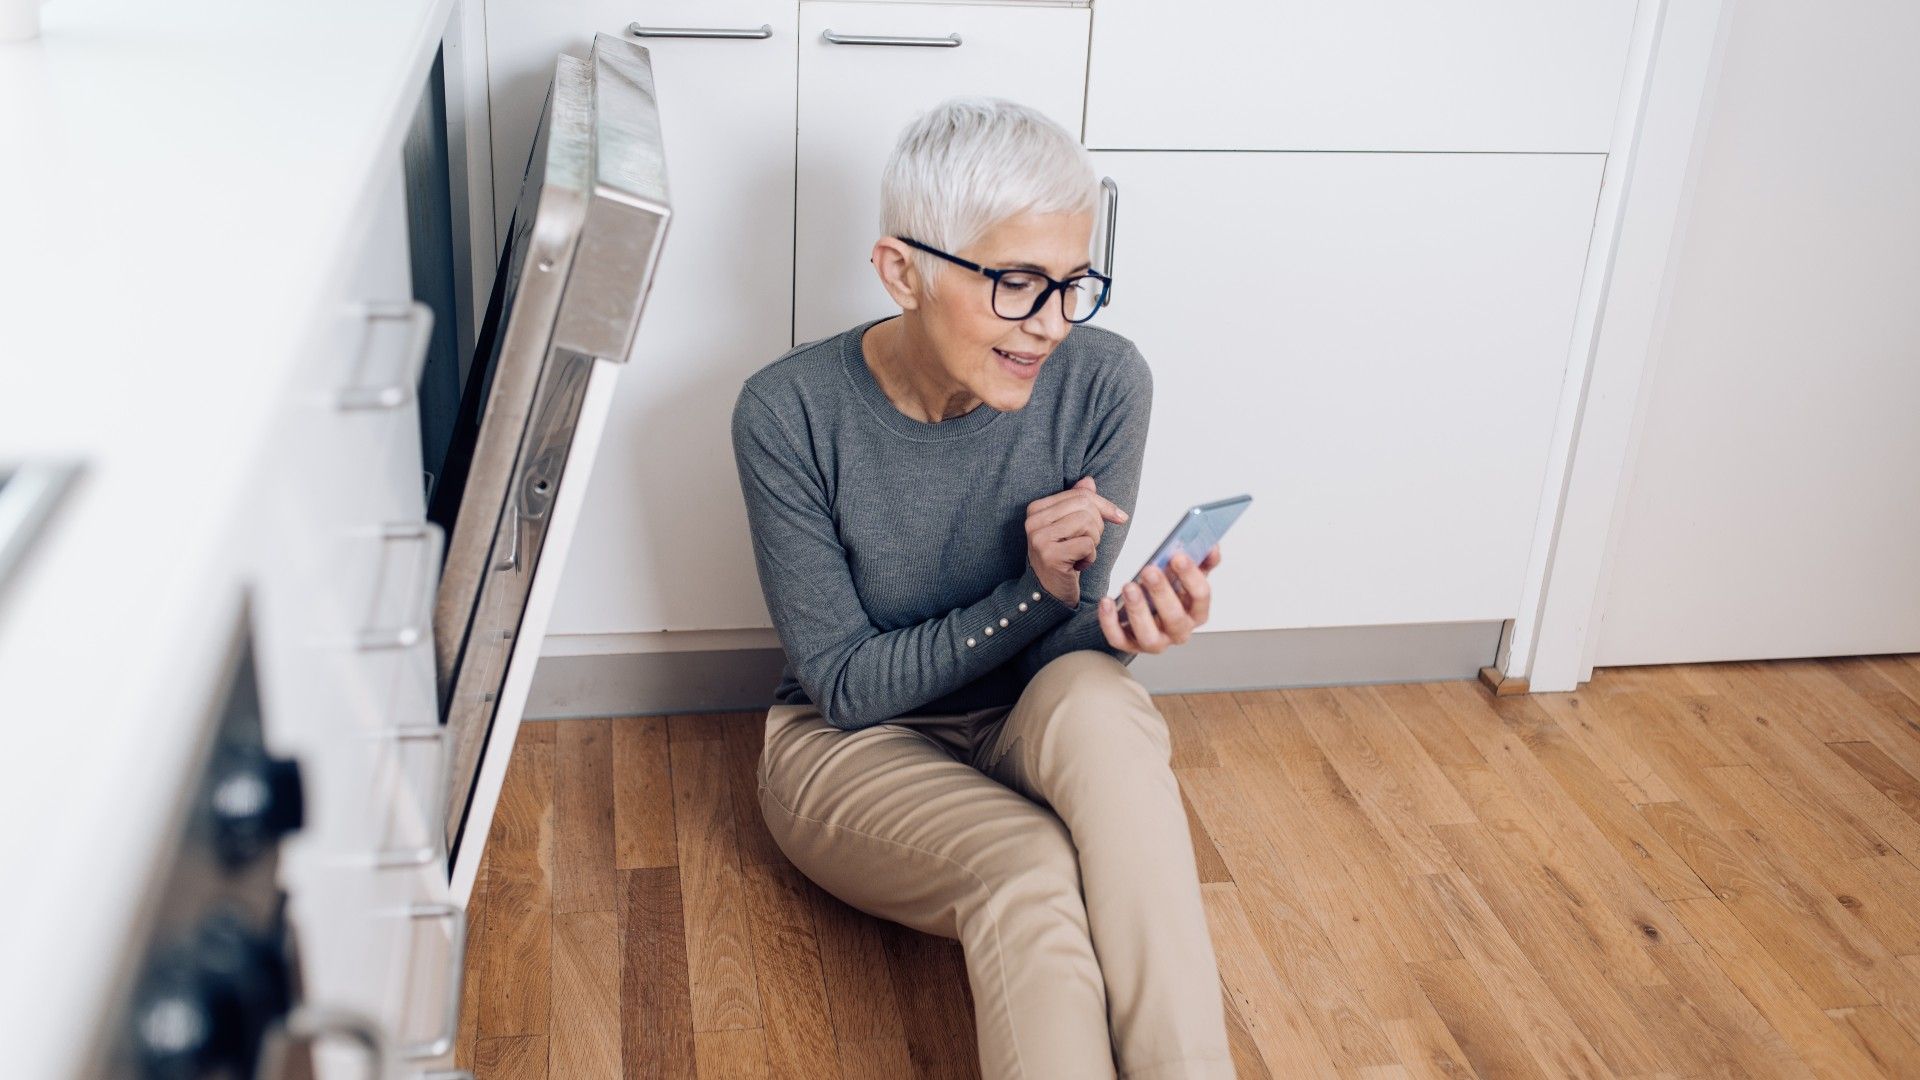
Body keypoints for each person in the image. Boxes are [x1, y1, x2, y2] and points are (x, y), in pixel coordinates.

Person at [729, 96, 1233, 1080]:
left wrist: (1120, 625)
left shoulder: (1104, 382)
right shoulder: (788, 413)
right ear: (900, 270)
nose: (1049, 326)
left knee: (1107, 712)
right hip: (852, 748)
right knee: (1032, 870)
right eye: (1015, 284)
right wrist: (1033, 590)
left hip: (1024, 713)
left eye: (1073, 284)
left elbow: (1066, 653)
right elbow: (845, 684)